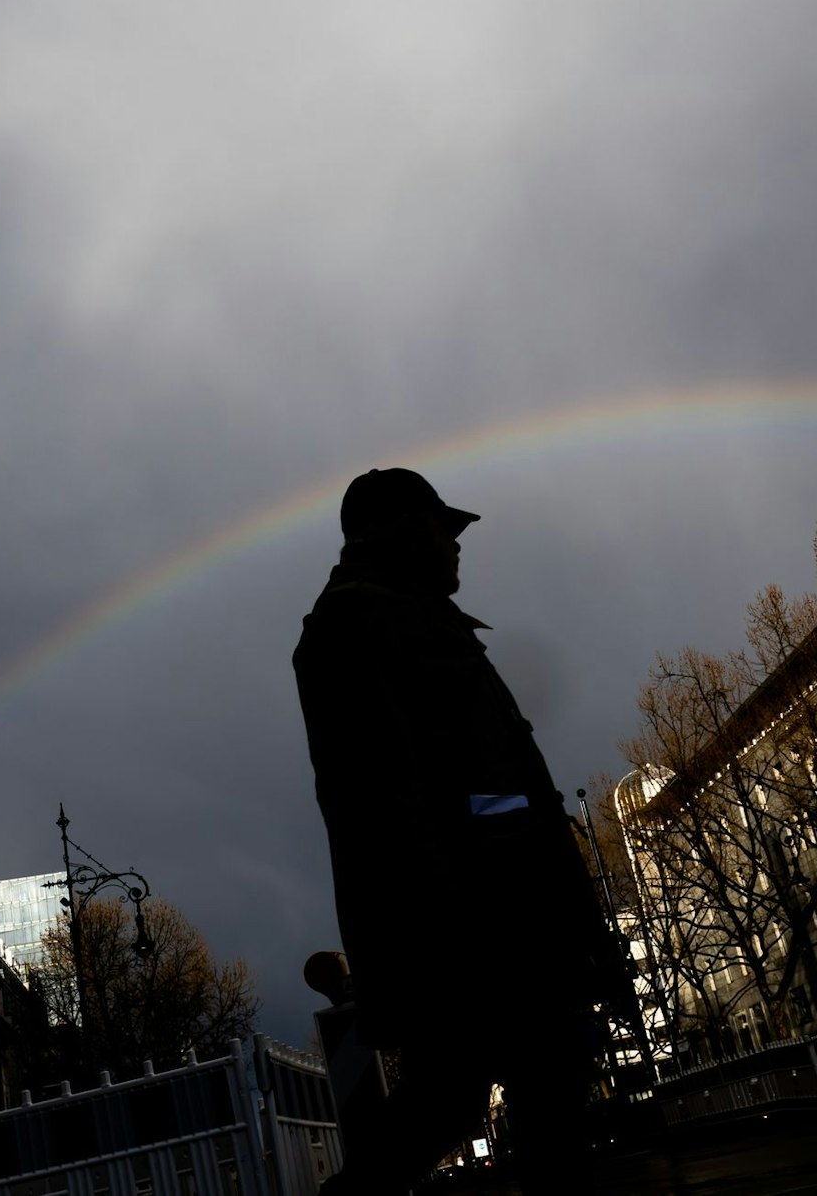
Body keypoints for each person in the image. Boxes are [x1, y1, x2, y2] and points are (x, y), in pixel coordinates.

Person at [293, 468, 607, 1194]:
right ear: (401, 527)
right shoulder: (357, 623)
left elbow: (472, 787)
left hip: (499, 911)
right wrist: (478, 881)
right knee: (508, 1091)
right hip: (479, 922)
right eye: (444, 526)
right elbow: (383, 798)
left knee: (467, 1097)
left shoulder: (410, 615)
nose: (457, 543)